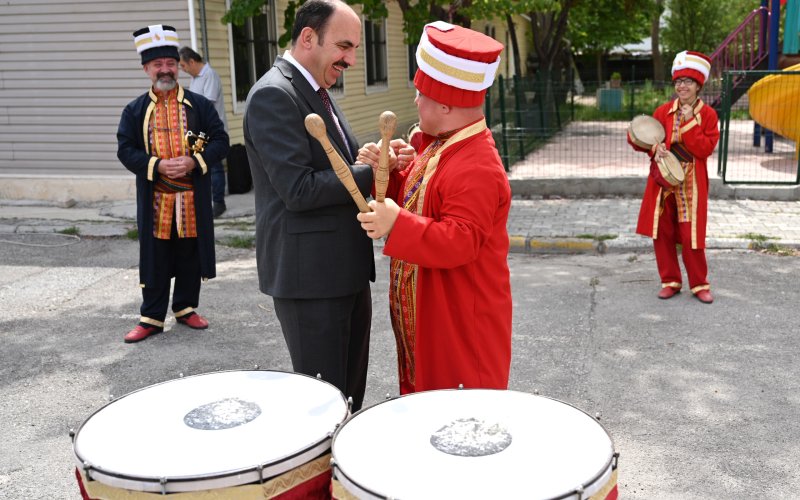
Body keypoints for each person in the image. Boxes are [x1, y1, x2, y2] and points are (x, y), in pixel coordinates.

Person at [356, 22, 512, 394]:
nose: (415, 101)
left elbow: (461, 240)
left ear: (445, 103)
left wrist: (396, 223)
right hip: (437, 316)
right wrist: (389, 175)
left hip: (460, 327)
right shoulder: (444, 144)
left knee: (460, 425)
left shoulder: (476, 164)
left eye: (421, 93)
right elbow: (418, 199)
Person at [243, 0, 374, 411]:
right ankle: (321, 476)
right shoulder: (273, 94)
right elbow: (297, 188)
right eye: (344, 46)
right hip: (311, 279)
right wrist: (373, 173)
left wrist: (368, 157)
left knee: (348, 398)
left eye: (354, 49)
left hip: (344, 270)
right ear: (307, 38)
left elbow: (338, 162)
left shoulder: (316, 89)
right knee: (323, 406)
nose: (351, 59)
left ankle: (342, 473)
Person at [117, 25, 229, 343]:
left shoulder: (201, 106)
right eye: (157, 65)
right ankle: (151, 317)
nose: (165, 69)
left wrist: (195, 162)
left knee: (189, 254)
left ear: (178, 65)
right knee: (156, 256)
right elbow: (125, 150)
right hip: (157, 200)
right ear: (146, 69)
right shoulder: (134, 110)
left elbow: (221, 140)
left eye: (170, 63)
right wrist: (157, 165)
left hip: (192, 199)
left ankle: (185, 308)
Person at [628, 51, 720, 304]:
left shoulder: (709, 115)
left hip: (691, 183)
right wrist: (652, 148)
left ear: (698, 85)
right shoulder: (663, 111)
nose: (682, 86)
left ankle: (700, 284)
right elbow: (638, 137)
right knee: (662, 232)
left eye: (688, 81)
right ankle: (670, 281)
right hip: (662, 181)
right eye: (679, 81)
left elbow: (704, 149)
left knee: (692, 235)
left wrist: (690, 122)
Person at [179, 46, 228, 218]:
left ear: (192, 61)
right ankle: (204, 201)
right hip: (198, 132)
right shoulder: (195, 79)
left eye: (183, 66)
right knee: (200, 166)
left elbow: (206, 103)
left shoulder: (209, 75)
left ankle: (219, 203)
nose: (182, 70)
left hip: (212, 130)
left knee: (214, 167)